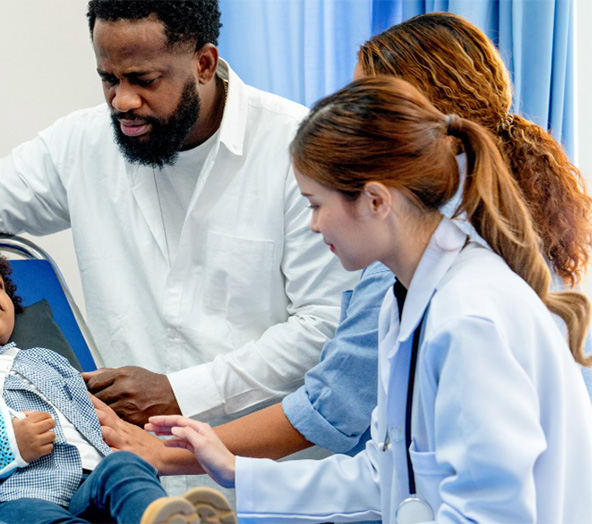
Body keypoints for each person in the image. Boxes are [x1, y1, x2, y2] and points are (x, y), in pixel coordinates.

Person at [96, 10, 592, 475]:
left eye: (316, 205)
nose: (314, 224)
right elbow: (380, 472)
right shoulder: (472, 243)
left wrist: (172, 454)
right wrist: (212, 461)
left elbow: (334, 406)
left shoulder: (449, 297)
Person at [0, 1, 355, 451]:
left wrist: (181, 392)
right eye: (108, 79)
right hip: (129, 465)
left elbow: (323, 326)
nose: (121, 100)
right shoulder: (85, 143)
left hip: (263, 469)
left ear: (204, 64)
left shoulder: (296, 151)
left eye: (143, 79)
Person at [0, 242, 237, 524]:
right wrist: (10, 445)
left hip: (84, 491)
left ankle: (158, 516)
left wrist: (125, 446)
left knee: (123, 468)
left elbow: (96, 422)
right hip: (6, 504)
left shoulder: (46, 361)